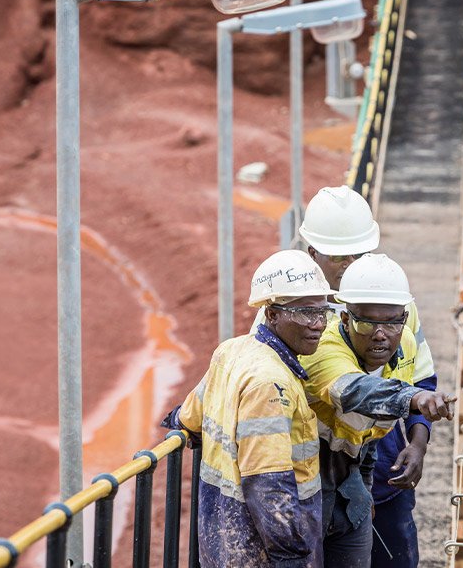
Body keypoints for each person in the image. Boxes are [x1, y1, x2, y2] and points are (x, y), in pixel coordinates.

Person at [165, 250, 337, 567]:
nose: (317, 325)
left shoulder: (231, 351)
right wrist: (290, 557)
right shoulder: (270, 383)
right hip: (259, 549)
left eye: (322, 312)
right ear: (271, 315)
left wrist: (177, 422)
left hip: (221, 537)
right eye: (304, 313)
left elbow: (191, 415)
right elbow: (268, 486)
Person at [297, 186, 438, 567]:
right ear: (313, 254)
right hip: (312, 483)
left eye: (358, 254)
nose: (349, 265)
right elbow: (348, 389)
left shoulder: (397, 306)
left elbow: (421, 380)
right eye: (338, 257)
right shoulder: (291, 314)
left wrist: (418, 444)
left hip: (383, 472)